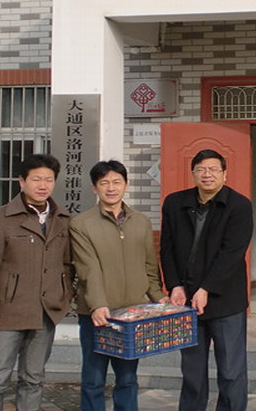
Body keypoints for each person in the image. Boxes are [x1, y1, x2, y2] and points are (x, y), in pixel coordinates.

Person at [0, 154, 74, 411]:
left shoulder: (63, 220)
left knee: (34, 379)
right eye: (36, 179)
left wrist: (63, 296)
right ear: (22, 182)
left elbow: (67, 265)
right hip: (7, 314)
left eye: (48, 180)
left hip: (45, 313)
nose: (43, 185)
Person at [70, 160, 169, 411]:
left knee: (127, 379)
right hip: (96, 315)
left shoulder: (141, 221)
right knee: (94, 379)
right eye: (104, 183)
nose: (111, 188)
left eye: (116, 182)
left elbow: (149, 264)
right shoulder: (81, 224)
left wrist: (158, 297)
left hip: (131, 315)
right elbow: (87, 268)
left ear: (126, 185)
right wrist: (97, 305)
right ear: (94, 188)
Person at [159, 149, 254, 411]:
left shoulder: (239, 205)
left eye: (213, 169)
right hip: (187, 301)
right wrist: (175, 285)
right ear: (193, 173)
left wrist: (206, 288)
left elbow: (232, 253)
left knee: (231, 372)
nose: (207, 174)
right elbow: (167, 248)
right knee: (192, 372)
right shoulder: (175, 203)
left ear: (225, 174)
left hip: (226, 302)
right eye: (201, 169)